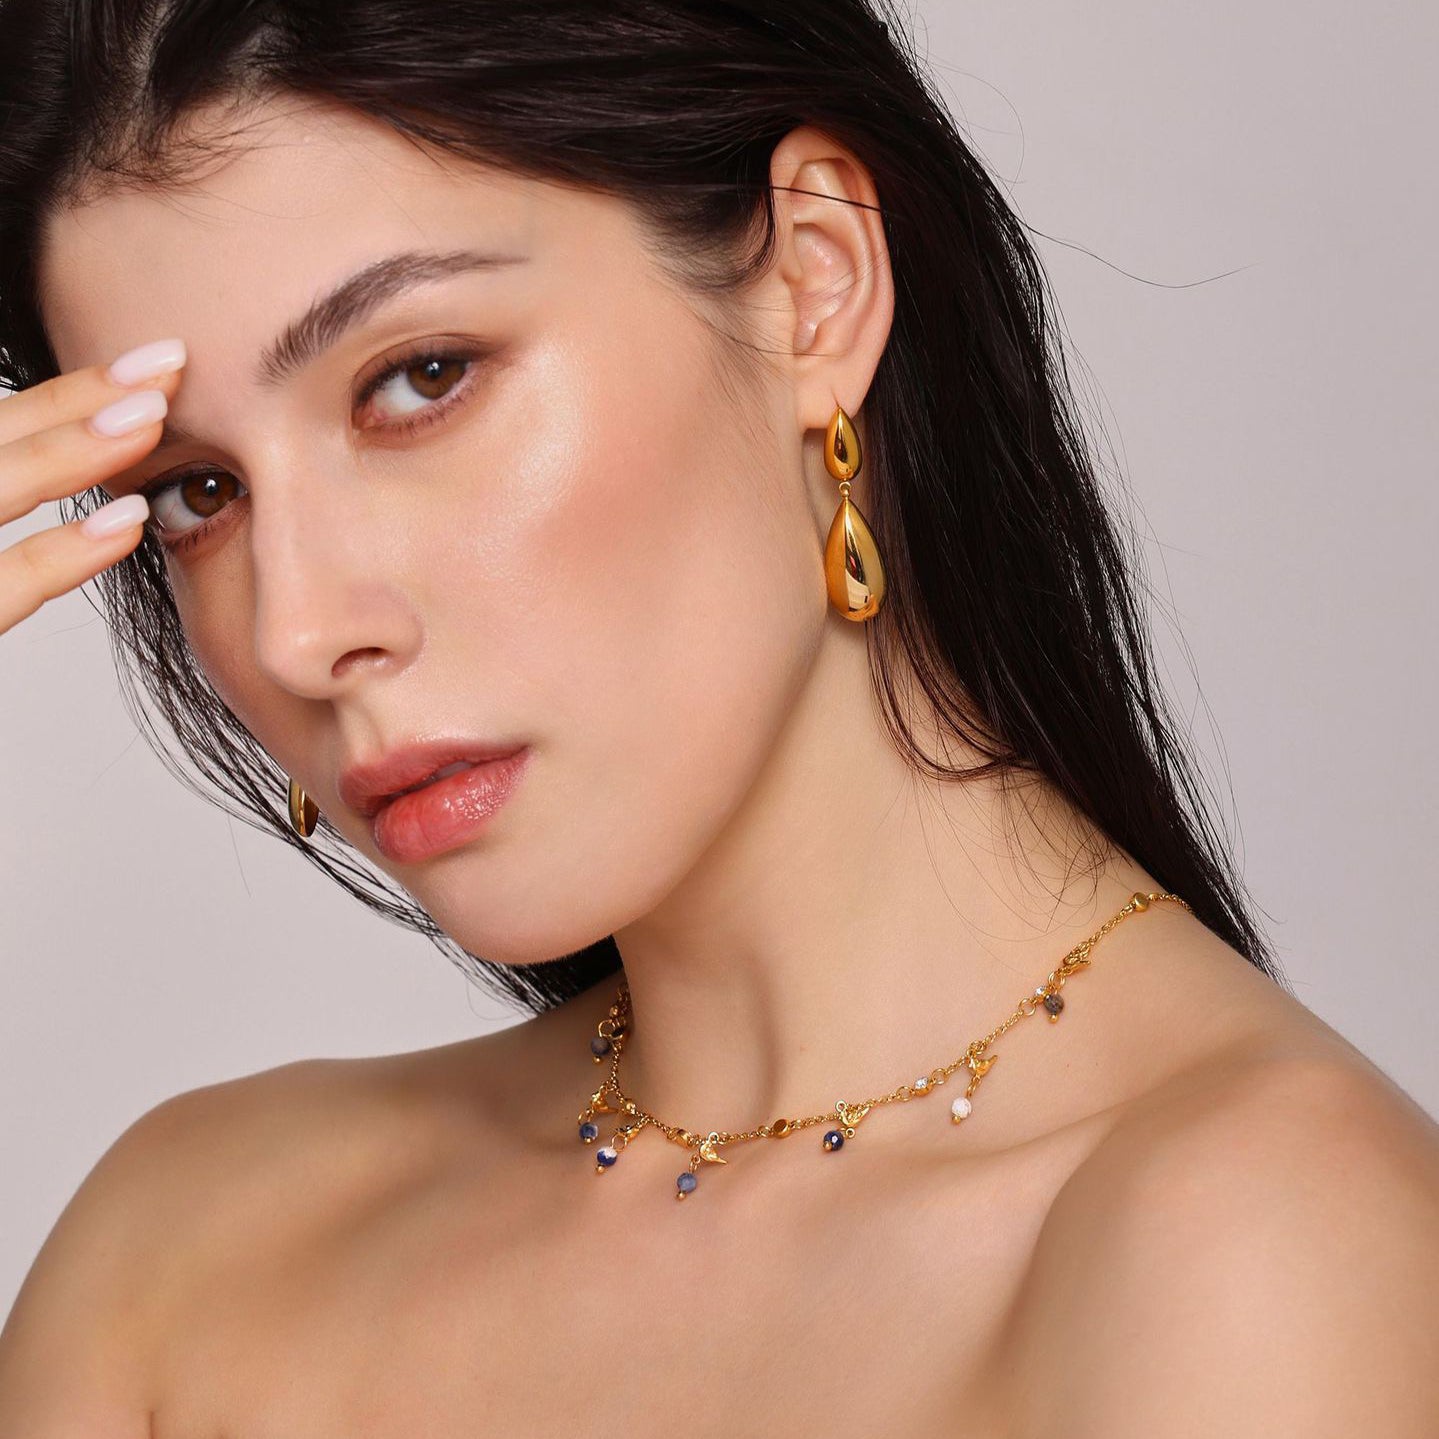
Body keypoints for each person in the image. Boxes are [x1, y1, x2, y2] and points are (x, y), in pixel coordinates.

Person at [0, 0, 1435, 1432]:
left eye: (420, 378)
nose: (297, 631)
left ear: (814, 281)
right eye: (198, 491)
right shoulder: (185, 1259)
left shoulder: (1260, 1256)